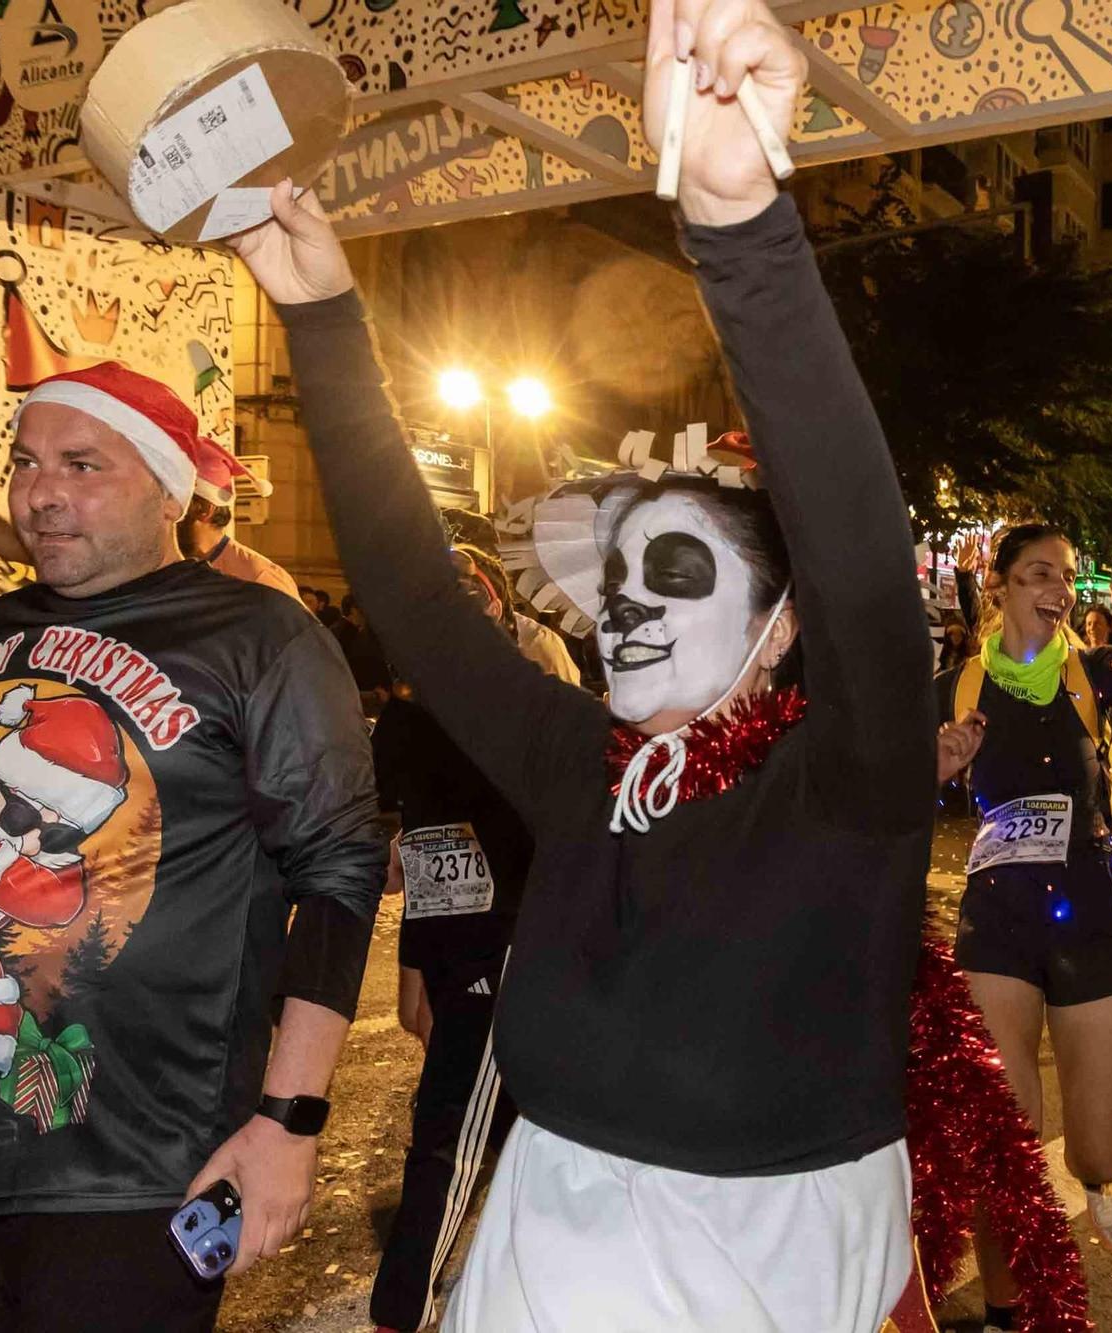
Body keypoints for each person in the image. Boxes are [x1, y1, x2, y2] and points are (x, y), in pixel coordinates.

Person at [228, 0, 936, 1321]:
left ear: (784, 628)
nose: (626, 604)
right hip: (544, 1230)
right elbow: (416, 599)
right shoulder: (578, 760)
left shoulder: (855, 770)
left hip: (764, 1260)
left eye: (677, 570)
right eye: (614, 578)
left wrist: (738, 229)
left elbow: (856, 547)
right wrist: (323, 313)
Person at [0, 361, 385, 1332]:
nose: (40, 490)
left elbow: (341, 871)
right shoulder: (0, 627)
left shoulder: (260, 633)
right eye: (26, 461)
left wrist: (289, 1119)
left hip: (133, 1166)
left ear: (170, 489)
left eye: (82, 464)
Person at [934, 497, 1112, 1330]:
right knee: (1003, 1149)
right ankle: (1007, 1311)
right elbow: (881, 792)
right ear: (998, 584)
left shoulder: (1094, 671)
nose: (1057, 588)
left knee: (1096, 1149)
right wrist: (933, 765)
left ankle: (1103, 1175)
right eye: (1037, 573)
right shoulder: (955, 688)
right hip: (997, 921)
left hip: (1091, 910)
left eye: (1064, 573)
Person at [369, 543, 557, 1333]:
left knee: (451, 1128)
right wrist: (413, 961)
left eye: (471, 597)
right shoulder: (404, 723)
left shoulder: (523, 708)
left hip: (513, 943)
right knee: (500, 1127)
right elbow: (407, 851)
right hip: (449, 948)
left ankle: (400, 1311)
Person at [0, 395, 302, 605]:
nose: (42, 497)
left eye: (82, 467)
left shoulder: (258, 586)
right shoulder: (106, 562)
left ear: (178, 501)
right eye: (28, 464)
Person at [176, 440, 302, 604]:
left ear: (204, 509)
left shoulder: (259, 578)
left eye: (172, 500)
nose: (164, 512)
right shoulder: (169, 569)